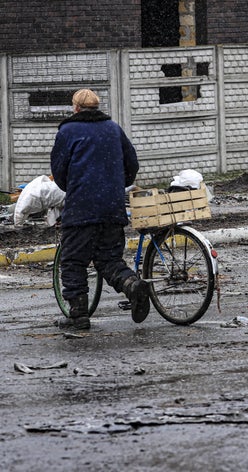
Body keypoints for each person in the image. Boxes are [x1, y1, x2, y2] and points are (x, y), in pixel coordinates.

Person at [50, 89, 150, 330]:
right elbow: (132, 164)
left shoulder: (67, 131)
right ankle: (132, 284)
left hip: (81, 208)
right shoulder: (113, 128)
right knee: (108, 259)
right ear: (97, 107)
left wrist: (72, 186)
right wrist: (115, 185)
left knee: (73, 261)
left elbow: (59, 171)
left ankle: (78, 315)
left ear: (75, 108)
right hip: (112, 207)